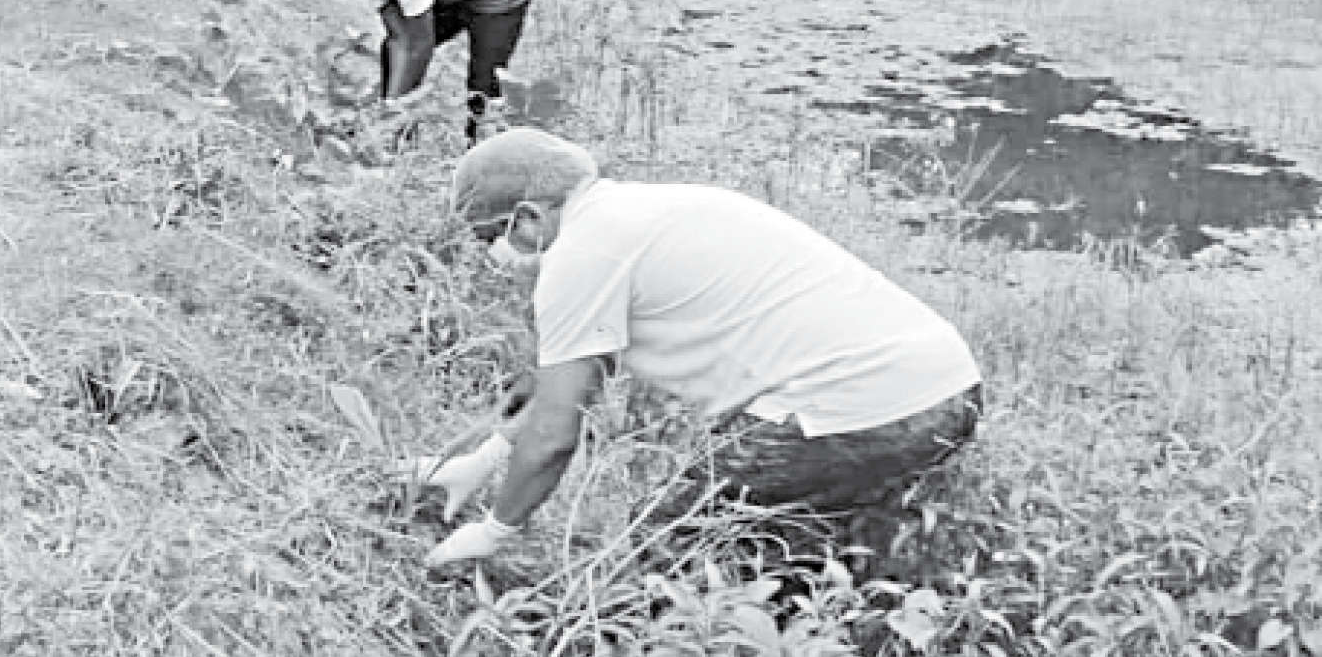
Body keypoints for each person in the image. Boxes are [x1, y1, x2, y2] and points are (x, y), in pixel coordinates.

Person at [421, 128, 985, 568]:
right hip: (946, 385)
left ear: (527, 218)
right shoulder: (643, 211)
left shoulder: (581, 254)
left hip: (857, 408)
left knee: (667, 550)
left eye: (488, 236)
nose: (493, 254)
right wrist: (481, 461)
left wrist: (494, 531)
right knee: (789, 550)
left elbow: (554, 434)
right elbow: (568, 383)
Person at [303, 0, 530, 142]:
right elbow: (399, 39)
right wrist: (390, 103)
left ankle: (482, 142)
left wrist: (398, 103)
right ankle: (400, 133)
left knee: (483, 80)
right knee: (390, 52)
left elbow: (420, 45)